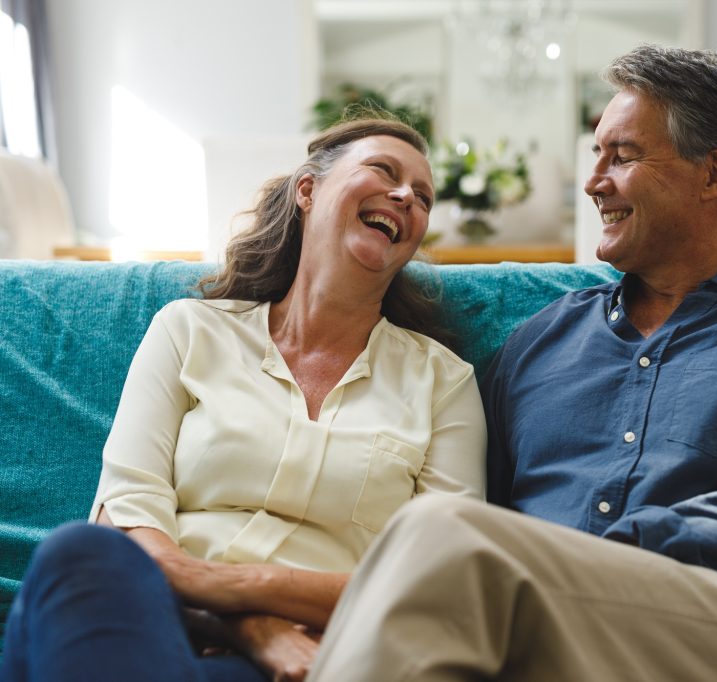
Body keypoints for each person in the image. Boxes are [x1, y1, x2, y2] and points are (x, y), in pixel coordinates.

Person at [306, 45, 717, 681]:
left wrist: (576, 559)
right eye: (595, 154)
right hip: (552, 630)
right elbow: (480, 508)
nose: (592, 180)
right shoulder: (540, 341)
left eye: (622, 156)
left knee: (439, 536)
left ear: (713, 176)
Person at [0, 116, 486, 682]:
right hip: (158, 628)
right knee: (78, 553)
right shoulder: (188, 331)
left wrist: (240, 587)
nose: (406, 196)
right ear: (308, 190)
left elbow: (439, 578)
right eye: (383, 170)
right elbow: (126, 514)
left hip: (324, 655)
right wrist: (247, 625)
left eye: (423, 197)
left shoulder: (443, 382)